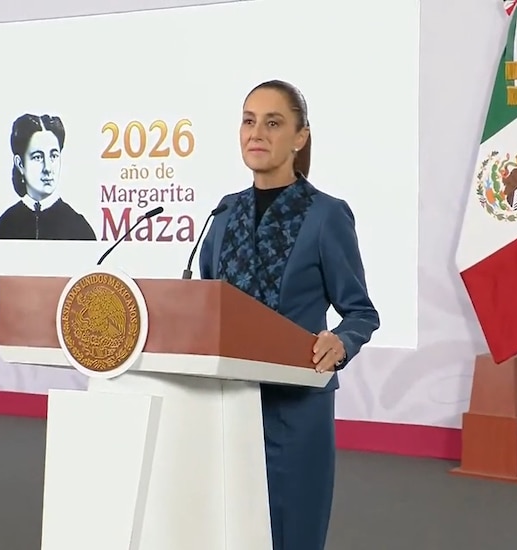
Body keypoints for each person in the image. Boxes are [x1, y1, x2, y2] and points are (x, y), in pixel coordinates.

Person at [198, 80, 380, 550]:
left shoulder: (326, 215)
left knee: (292, 535)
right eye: (248, 120)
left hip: (296, 410)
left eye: (273, 123)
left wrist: (342, 342)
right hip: (227, 407)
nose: (257, 132)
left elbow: (360, 312)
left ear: (300, 137)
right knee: (229, 532)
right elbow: (205, 305)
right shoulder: (222, 215)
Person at [0, 113, 97, 240]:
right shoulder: (4, 229)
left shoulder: (79, 228)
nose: (48, 168)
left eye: (53, 156)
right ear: (20, 163)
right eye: (38, 157)